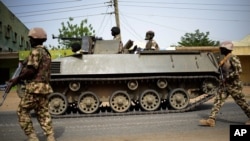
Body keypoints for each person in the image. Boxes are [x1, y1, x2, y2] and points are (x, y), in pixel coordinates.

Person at [9, 27, 56, 141]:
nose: (30, 40)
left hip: (34, 88)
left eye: (31, 38)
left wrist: (17, 79)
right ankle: (50, 138)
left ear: (35, 39)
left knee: (22, 111)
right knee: (43, 114)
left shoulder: (36, 52)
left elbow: (31, 71)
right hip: (44, 88)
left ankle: (33, 137)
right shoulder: (46, 53)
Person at [199, 41, 250, 127]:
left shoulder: (233, 58)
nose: (220, 49)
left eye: (221, 48)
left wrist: (227, 77)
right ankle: (211, 120)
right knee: (218, 101)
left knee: (242, 102)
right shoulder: (224, 59)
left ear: (227, 49)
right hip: (224, 85)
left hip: (234, 86)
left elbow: (238, 71)